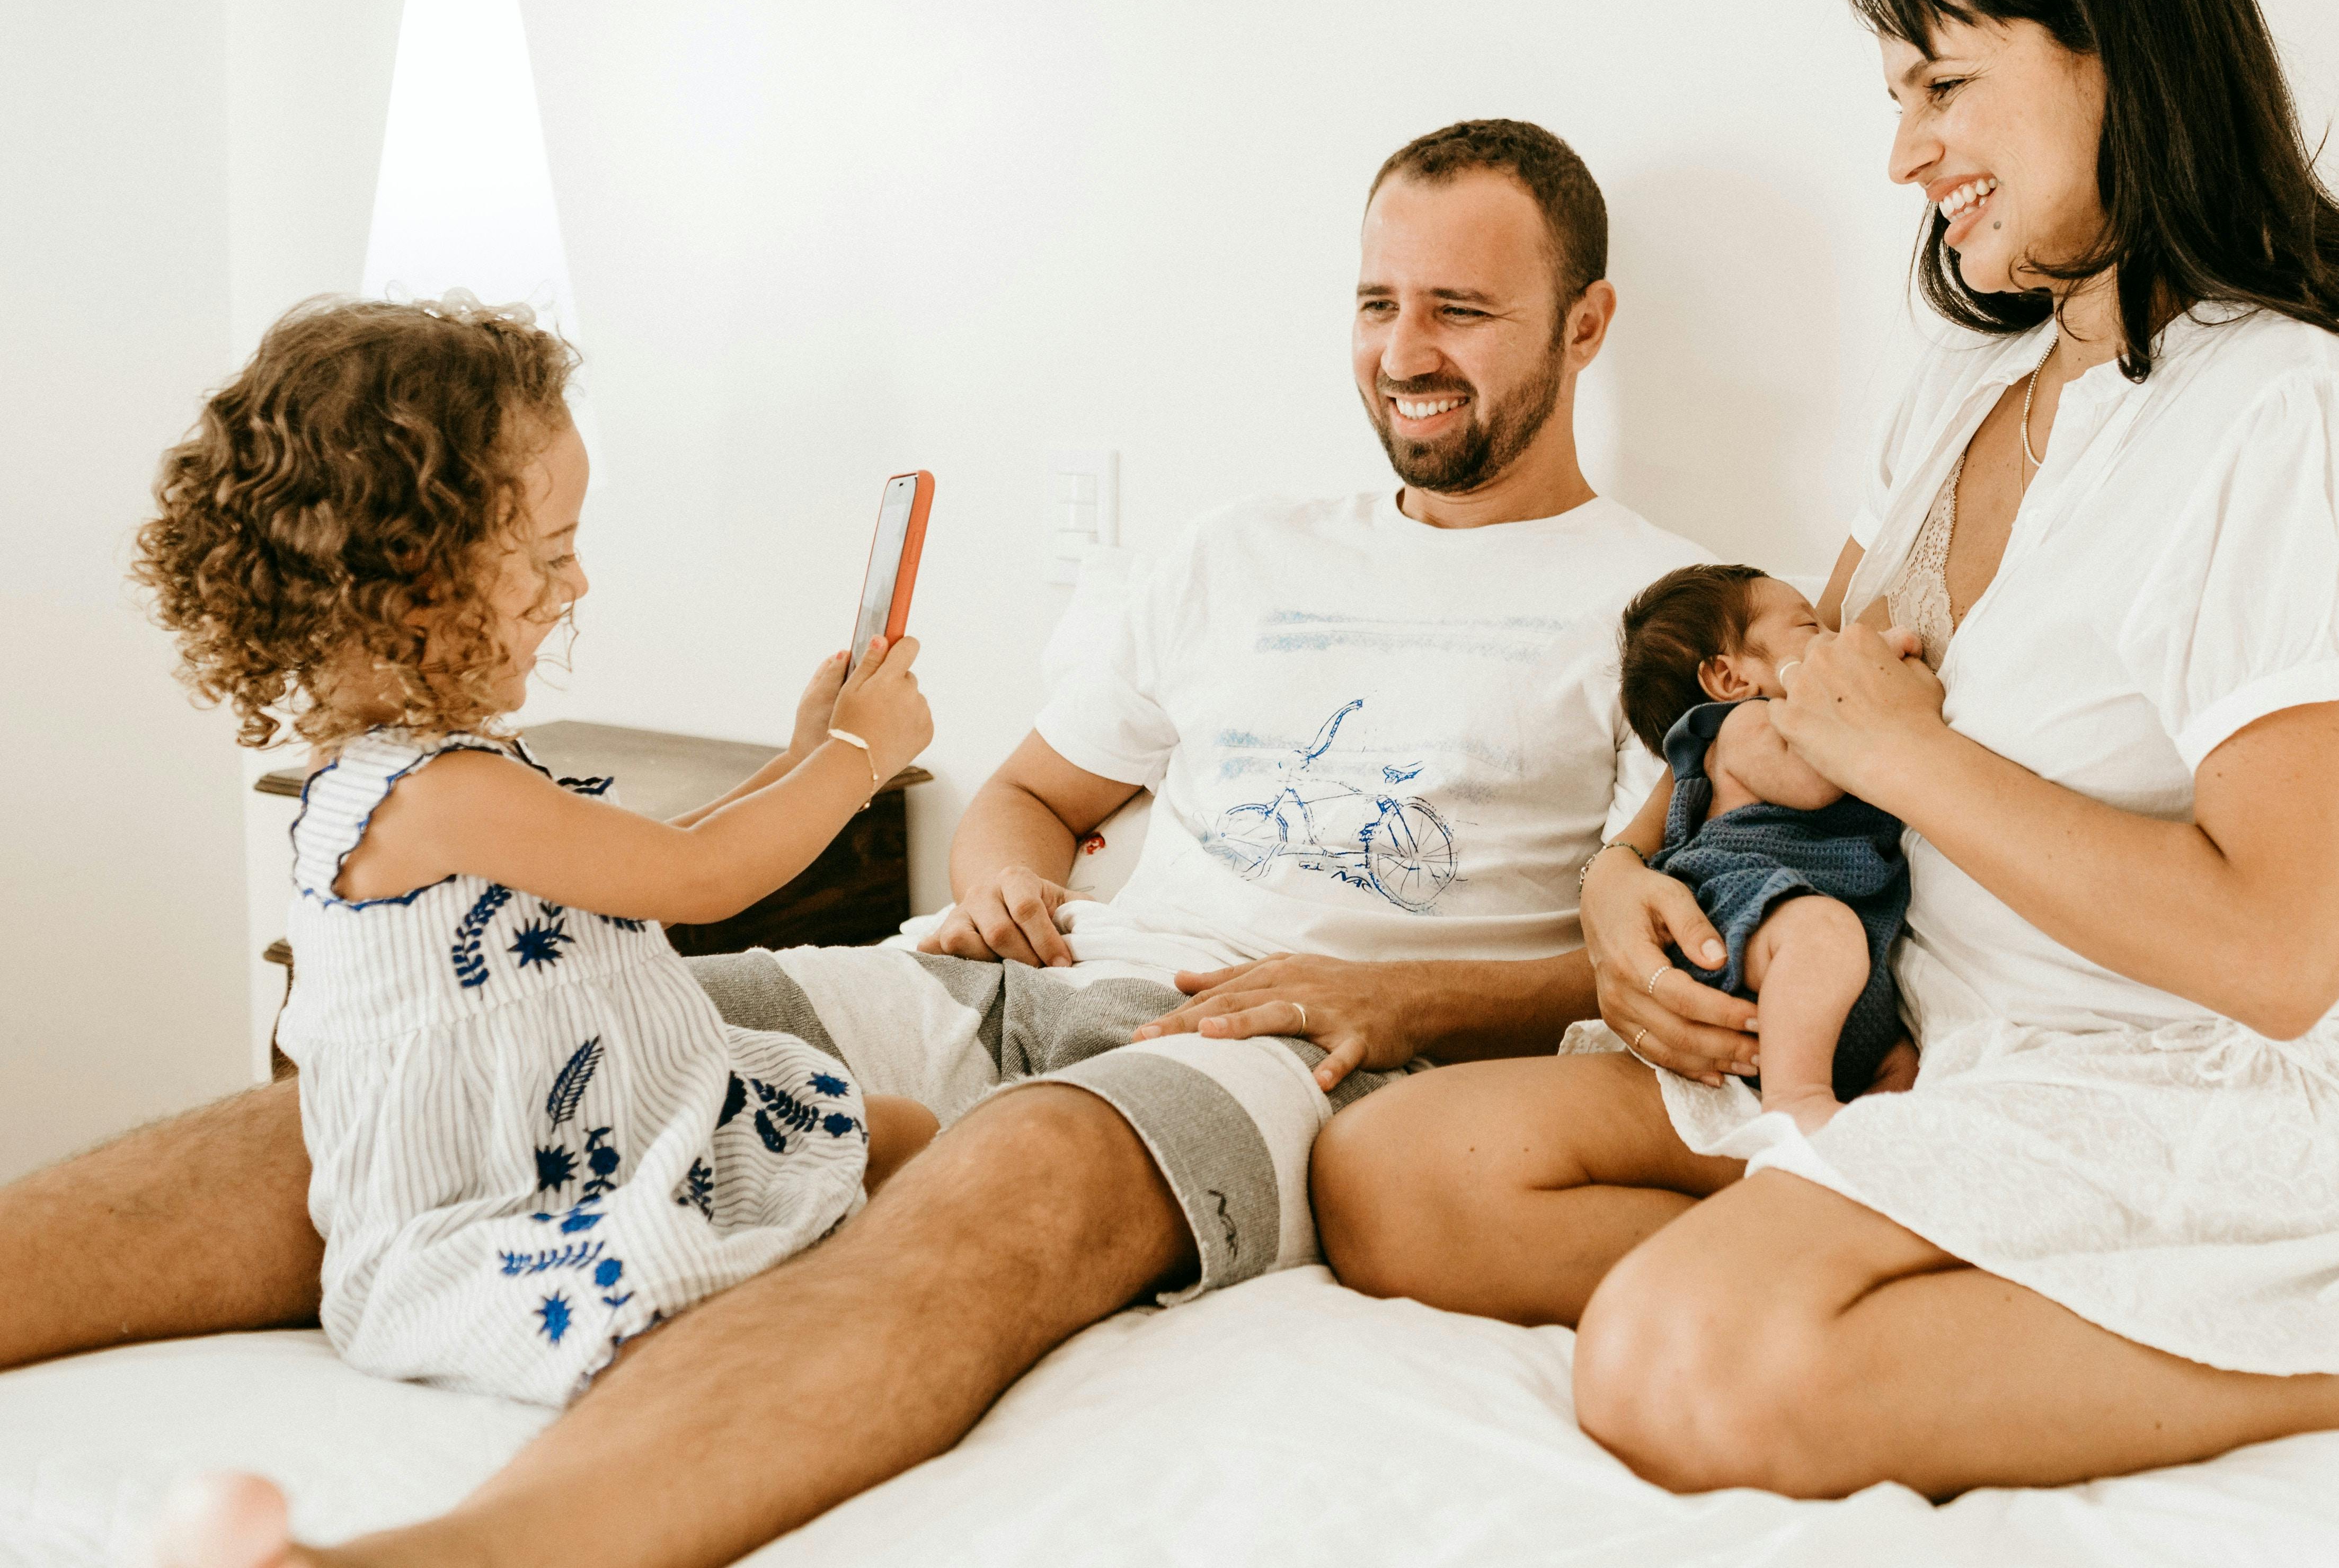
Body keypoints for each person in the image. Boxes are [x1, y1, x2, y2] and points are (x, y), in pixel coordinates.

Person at [0, 118, 1715, 1568]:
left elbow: (1672, 959)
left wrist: (1403, 1005)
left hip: (1275, 1046)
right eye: (1377, 301)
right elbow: (1032, 795)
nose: (1407, 348)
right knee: (518, 1047)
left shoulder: (1660, 604)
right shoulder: (1235, 551)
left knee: (1005, 1188)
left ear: (1586, 325)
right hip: (1000, 974)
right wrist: (998, 877)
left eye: (1463, 310)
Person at [1312, 0, 2339, 1502]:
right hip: (1934, 1040)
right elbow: (1793, 704)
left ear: (2115, 54)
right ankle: (1941, 1266)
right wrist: (1616, 870)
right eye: (1893, 94)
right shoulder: (1968, 377)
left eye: (1939, 86)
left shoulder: (2288, 406)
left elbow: (2279, 946)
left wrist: (1917, 762)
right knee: (1391, 1176)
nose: (1901, 152)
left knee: (1676, 1361)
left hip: (2202, 1085)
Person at [131, 297, 940, 1407]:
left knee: (892, 1131)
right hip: (510, 1193)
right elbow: (704, 880)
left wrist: (805, 753)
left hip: (616, 1128)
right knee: (700, 1271)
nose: (579, 586)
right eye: (552, 555)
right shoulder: (435, 794)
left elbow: (655, 856)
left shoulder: (436, 769)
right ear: (412, 574)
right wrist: (857, 754)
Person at [1609, 564, 1908, 1131]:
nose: (1834, 640)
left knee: (1902, 1057)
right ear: (1728, 678)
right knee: (1822, 932)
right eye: (1808, 627)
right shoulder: (1744, 726)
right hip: (1739, 909)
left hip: (1823, 959)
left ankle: (1863, 1132)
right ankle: (1796, 1099)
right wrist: (1877, 665)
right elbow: (1817, 777)